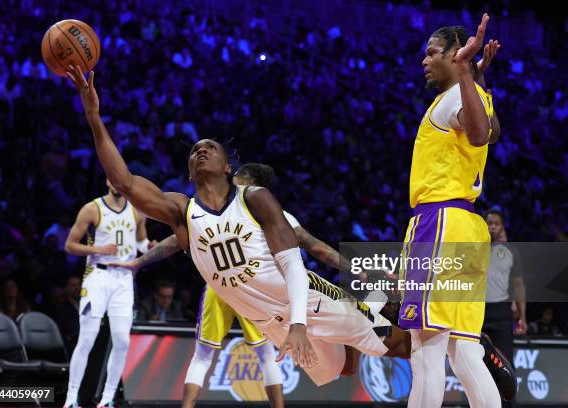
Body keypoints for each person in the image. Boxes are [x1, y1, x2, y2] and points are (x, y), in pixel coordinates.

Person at [66, 65, 411, 392]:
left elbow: (293, 264)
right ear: (188, 173)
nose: (201, 150)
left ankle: (421, 327)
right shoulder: (182, 212)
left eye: (210, 148)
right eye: (195, 150)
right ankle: (366, 309)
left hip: (310, 303)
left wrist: (300, 325)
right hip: (269, 321)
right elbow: (125, 183)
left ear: (227, 166)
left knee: (399, 345)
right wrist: (93, 117)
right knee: (342, 370)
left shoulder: (255, 198)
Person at [112, 162, 366, 408]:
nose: (228, 186)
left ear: (251, 186)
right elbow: (318, 248)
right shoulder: (237, 210)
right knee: (262, 353)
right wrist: (140, 261)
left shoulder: (262, 210)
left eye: (236, 183)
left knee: (207, 353)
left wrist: (140, 262)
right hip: (254, 296)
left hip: (236, 290)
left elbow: (317, 248)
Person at [398, 14, 502, 407]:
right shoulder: (474, 94)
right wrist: (475, 76)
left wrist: (465, 71)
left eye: (432, 53)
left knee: (426, 348)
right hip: (468, 228)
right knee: (464, 351)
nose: (424, 60)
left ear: (454, 55)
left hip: (438, 222)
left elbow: (479, 134)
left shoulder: (449, 101)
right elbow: (492, 132)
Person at [62, 179, 155, 408]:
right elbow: (70, 245)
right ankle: (71, 398)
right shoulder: (93, 208)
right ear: (106, 181)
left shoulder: (136, 210)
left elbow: (140, 240)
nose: (116, 182)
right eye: (112, 178)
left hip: (123, 280)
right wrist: (97, 249)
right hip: (97, 277)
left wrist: (149, 247)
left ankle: (107, 399)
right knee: (87, 339)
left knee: (122, 341)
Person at [483, 209, 526, 407]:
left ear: (502, 227)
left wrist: (522, 317)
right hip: (476, 314)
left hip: (501, 313)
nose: (492, 226)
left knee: (505, 366)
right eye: (489, 222)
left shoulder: (511, 252)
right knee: (478, 367)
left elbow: (518, 285)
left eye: (496, 223)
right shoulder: (470, 249)